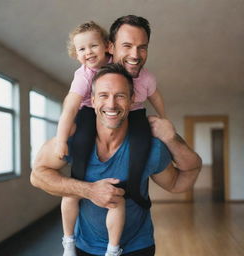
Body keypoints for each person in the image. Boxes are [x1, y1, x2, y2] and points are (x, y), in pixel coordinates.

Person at [31, 63, 202, 256]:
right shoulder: (73, 140)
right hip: (83, 247)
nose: (111, 104)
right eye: (104, 95)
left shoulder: (150, 147)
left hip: (137, 247)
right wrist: (89, 191)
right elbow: (37, 175)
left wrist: (172, 138)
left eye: (120, 96)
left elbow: (180, 182)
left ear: (132, 100)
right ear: (93, 101)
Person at [56, 17, 166, 256]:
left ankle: (133, 190)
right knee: (80, 155)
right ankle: (69, 236)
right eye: (82, 49)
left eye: (93, 46)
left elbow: (155, 96)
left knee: (141, 144)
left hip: (136, 116)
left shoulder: (128, 71)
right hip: (87, 116)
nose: (88, 53)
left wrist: (164, 119)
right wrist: (61, 138)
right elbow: (70, 107)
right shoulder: (85, 75)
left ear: (105, 46)